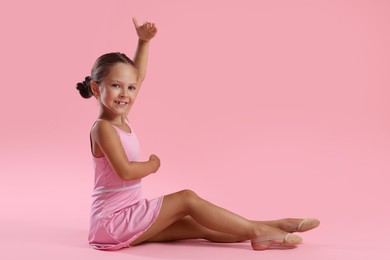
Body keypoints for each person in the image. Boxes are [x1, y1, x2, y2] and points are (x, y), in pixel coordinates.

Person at [76, 17, 320, 251]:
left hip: (128, 215)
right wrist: (153, 165)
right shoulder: (103, 128)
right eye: (116, 86)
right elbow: (126, 171)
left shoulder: (120, 117)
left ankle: (272, 226)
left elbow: (138, 76)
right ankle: (260, 232)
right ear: (97, 88)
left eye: (130, 88)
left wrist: (144, 41)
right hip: (112, 222)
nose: (125, 94)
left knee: (200, 225)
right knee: (186, 199)